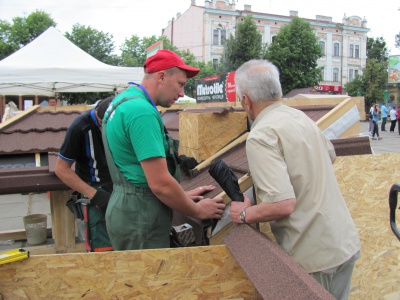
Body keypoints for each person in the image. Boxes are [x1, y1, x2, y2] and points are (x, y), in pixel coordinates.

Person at [229, 59, 360, 300]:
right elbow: (329, 157)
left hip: (313, 257)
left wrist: (243, 214)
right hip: (344, 242)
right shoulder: (301, 119)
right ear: (276, 90)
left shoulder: (261, 135)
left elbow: (282, 204)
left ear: (246, 100)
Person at [102, 50, 225, 251]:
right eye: (181, 84)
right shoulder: (141, 112)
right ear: (161, 77)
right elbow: (160, 184)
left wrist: (181, 197)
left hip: (127, 209)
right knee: (149, 279)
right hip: (141, 215)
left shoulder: (122, 102)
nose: (182, 93)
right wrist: (197, 210)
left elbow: (137, 170)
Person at [55, 97, 114, 252]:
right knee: (103, 250)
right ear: (101, 121)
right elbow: (61, 169)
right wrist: (95, 195)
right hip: (95, 192)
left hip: (120, 190)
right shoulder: (80, 127)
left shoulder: (123, 120)